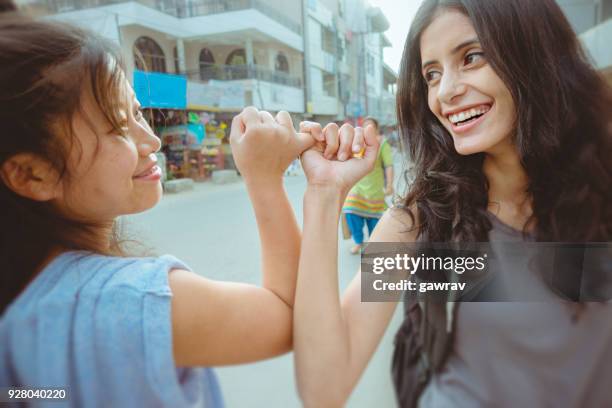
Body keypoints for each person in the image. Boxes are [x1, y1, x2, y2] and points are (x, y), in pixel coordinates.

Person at [0, 6, 340, 406]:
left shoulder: (24, 308)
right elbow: (295, 319)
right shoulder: (129, 300)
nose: (152, 141)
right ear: (31, 175)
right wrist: (270, 178)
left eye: (138, 113)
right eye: (115, 127)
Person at [293, 0, 612, 407]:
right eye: (432, 74)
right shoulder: (423, 223)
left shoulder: (598, 195)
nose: (446, 92)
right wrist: (323, 195)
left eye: (472, 57)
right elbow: (325, 388)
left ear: (533, 53)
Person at [341, 117, 394, 254]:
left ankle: (372, 244)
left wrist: (389, 184)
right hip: (357, 189)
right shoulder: (357, 143)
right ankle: (359, 242)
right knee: (350, 211)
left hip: (374, 191)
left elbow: (388, 165)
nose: (368, 130)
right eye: (366, 127)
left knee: (374, 222)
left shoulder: (383, 144)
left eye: (371, 127)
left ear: (376, 129)